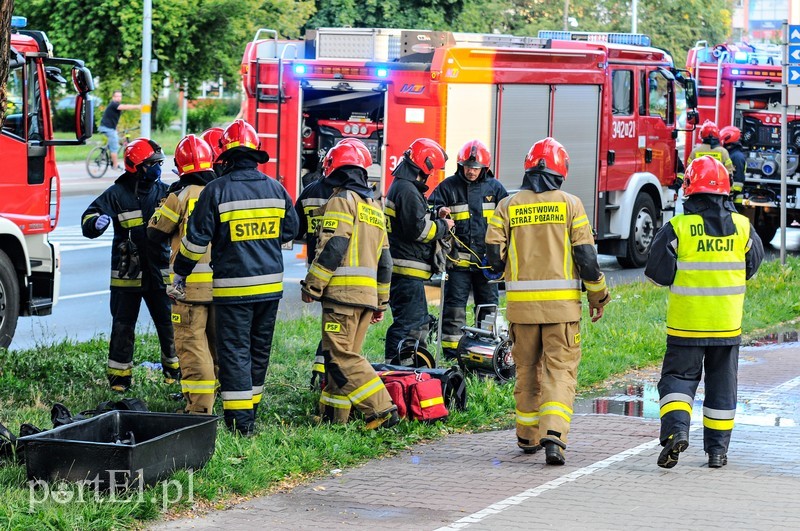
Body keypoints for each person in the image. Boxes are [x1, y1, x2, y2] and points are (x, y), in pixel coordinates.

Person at [485, 137, 609, 465]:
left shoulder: (507, 206)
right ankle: (554, 435)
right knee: (560, 370)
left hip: (521, 311)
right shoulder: (571, 205)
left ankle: (527, 436)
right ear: (560, 172)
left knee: (526, 370)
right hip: (562, 311)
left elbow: (493, 260)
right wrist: (598, 294)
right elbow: (586, 258)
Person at [171, 119, 299, 436]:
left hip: (233, 290)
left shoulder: (216, 191)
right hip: (271, 288)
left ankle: (241, 424)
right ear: (255, 155)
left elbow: (195, 241)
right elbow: (292, 230)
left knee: (235, 353)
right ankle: (250, 409)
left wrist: (181, 273)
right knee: (258, 351)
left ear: (224, 157)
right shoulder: (276, 188)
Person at [645, 156, 763, 469]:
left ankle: (676, 433)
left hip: (686, 326)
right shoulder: (743, 228)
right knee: (722, 388)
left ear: (690, 192)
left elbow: (657, 272)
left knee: (678, 381)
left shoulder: (678, 228)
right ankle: (717, 453)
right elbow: (752, 265)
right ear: (726, 193)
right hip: (727, 326)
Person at [300, 140, 398, 429]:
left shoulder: (341, 200)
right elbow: (386, 261)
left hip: (342, 295)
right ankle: (333, 417)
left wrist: (313, 286)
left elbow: (334, 246)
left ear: (334, 171)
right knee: (342, 360)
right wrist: (381, 302)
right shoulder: (374, 206)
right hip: (366, 297)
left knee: (339, 357)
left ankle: (381, 408)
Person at [81, 138, 178, 392]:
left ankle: (174, 374)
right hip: (127, 275)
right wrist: (95, 223)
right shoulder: (117, 193)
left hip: (159, 272)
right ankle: (119, 381)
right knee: (123, 326)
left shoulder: (166, 192)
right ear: (136, 166)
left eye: (159, 162)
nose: (157, 168)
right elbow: (88, 217)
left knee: (169, 325)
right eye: (152, 164)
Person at [147, 134, 218, 414]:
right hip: (223, 286)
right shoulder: (221, 192)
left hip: (188, 287)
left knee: (192, 345)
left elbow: (154, 232)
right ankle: (225, 397)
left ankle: (199, 409)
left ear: (180, 167)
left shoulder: (181, 196)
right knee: (217, 344)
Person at [295, 139, 371, 386]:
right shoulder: (364, 201)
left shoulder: (310, 193)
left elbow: (295, 229)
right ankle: (328, 383)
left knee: (335, 338)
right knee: (343, 343)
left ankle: (324, 378)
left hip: (321, 272)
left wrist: (313, 283)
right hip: (348, 280)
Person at [430, 139, 508, 359]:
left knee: (488, 307)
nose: (471, 171)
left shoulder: (496, 189)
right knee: (454, 308)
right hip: (458, 263)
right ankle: (453, 353)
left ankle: (487, 350)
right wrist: (439, 211)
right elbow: (428, 208)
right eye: (467, 167)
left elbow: (508, 221)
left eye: (475, 168)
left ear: (484, 168)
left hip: (487, 264)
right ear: (460, 165)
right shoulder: (447, 187)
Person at [384, 138, 453, 364]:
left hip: (406, 272)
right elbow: (418, 230)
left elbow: (413, 219)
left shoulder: (403, 187)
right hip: (407, 272)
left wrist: (434, 213)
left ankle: (413, 370)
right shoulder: (407, 190)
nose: (431, 175)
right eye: (432, 170)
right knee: (408, 325)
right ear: (425, 165)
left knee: (419, 322)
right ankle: (396, 371)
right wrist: (444, 227)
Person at [98, 90, 142, 170]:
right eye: (117, 96)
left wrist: (116, 129)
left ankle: (106, 154)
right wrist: (138, 107)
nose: (118, 98)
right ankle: (115, 166)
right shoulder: (114, 104)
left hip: (109, 128)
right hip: (107, 128)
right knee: (115, 147)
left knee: (115, 140)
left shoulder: (115, 106)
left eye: (120, 96)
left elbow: (113, 119)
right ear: (113, 97)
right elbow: (124, 107)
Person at [720, 125, 746, 193]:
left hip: (733, 196)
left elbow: (738, 181)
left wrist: (730, 191)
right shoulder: (732, 154)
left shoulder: (737, 156)